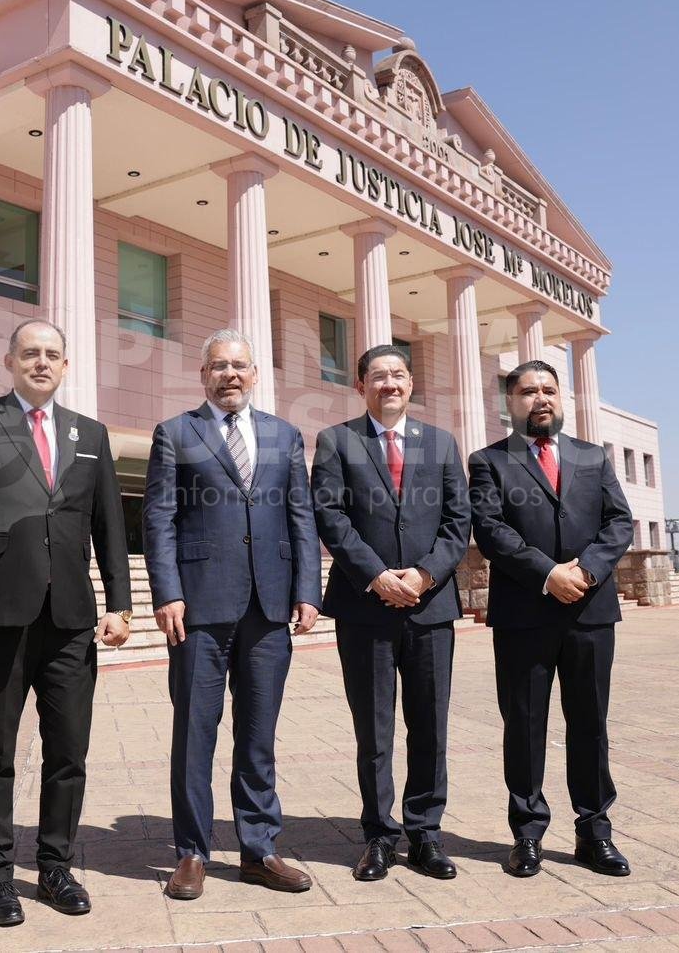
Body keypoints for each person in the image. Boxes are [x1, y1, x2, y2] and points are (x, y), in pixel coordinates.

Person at [0, 320, 132, 926]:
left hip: (70, 619)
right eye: (30, 353)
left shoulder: (89, 434)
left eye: (52, 354)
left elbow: (110, 527)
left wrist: (119, 603)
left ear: (65, 365)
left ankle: (55, 868)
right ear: (10, 361)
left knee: (69, 749)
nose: (41, 362)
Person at [143, 328, 321, 900]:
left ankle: (259, 849)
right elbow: (159, 518)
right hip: (197, 607)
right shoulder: (176, 433)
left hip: (269, 608)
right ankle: (191, 852)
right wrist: (167, 592)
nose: (230, 375)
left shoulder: (284, 435)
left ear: (254, 374)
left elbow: (300, 515)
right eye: (219, 366)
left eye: (239, 365)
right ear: (203, 375)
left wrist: (308, 589)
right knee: (195, 732)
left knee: (258, 733)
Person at [467, 359, 635, 880]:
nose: (540, 398)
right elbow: (491, 530)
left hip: (590, 611)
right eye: (527, 391)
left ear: (562, 399)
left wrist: (585, 570)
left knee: (590, 723)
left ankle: (594, 831)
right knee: (524, 726)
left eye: (549, 390)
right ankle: (527, 834)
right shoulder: (488, 461)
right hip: (524, 615)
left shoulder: (592, 457)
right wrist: (547, 574)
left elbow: (619, 521)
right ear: (510, 402)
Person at [311, 344, 470, 882]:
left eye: (398, 374)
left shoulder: (441, 443)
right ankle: (379, 836)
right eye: (378, 376)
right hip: (365, 608)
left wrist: (424, 575)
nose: (390, 384)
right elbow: (330, 515)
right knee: (374, 729)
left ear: (410, 383)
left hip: (431, 607)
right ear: (360, 386)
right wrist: (375, 574)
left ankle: (425, 834)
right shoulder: (337, 441)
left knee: (430, 726)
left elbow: (458, 521)